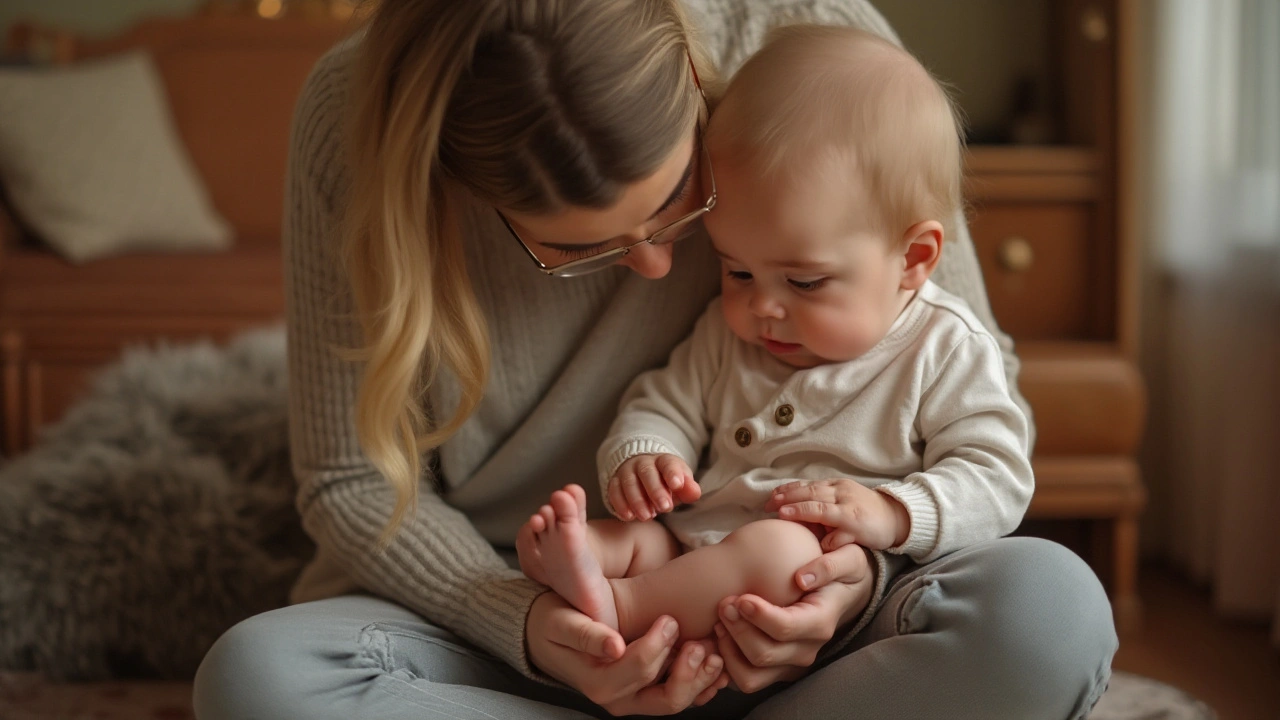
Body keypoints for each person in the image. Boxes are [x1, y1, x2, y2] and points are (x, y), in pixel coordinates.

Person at [192, 1, 1118, 718]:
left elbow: (974, 398)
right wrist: (528, 625)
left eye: (683, 196)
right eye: (573, 249)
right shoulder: (354, 123)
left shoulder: (812, 46)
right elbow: (353, 485)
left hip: (809, 639)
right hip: (512, 638)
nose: (658, 265)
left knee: (1050, 613)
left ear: (689, 67)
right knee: (257, 680)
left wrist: (851, 579)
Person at [515, 24, 1034, 662]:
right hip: (691, 549)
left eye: (805, 281)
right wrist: (645, 455)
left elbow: (998, 477)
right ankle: (581, 567)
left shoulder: (943, 349)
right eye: (736, 270)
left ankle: (622, 611)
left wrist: (893, 513)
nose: (762, 305)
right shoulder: (726, 334)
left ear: (914, 258)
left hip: (807, 592)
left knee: (781, 553)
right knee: (633, 538)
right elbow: (664, 399)